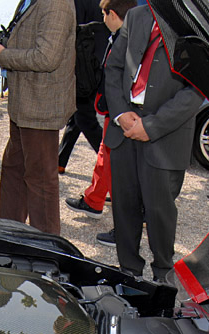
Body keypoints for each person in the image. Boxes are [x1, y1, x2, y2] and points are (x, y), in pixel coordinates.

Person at [103, 5, 202, 283]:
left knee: (160, 212)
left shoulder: (193, 24)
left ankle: (162, 278)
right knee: (124, 208)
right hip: (124, 129)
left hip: (165, 135)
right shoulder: (137, 15)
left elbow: (197, 89)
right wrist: (122, 114)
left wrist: (151, 126)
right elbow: (114, 68)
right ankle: (128, 274)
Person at [0, 0, 76, 235]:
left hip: (41, 106)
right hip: (24, 105)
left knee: (40, 182)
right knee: (13, 171)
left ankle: (46, 250)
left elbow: (47, 57)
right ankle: (9, 236)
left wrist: (4, 55)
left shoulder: (56, 3)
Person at [64, 0, 135, 233]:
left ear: (112, 14)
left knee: (116, 163)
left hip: (120, 113)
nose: (101, 18)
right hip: (116, 112)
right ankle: (94, 200)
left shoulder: (124, 41)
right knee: (107, 156)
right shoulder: (127, 35)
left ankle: (126, 226)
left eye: (104, 14)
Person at [56, 0, 109, 174]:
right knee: (78, 116)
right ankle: (60, 160)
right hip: (96, 63)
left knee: (85, 119)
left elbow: (71, 33)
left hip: (85, 67)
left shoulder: (76, 2)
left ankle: (112, 168)